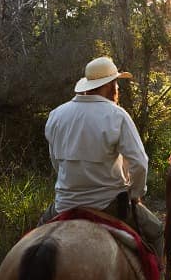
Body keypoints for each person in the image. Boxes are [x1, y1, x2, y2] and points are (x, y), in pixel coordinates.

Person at [38, 56, 163, 261]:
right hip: (108, 203)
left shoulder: (56, 115)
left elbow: (56, 162)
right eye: (116, 83)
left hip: (65, 203)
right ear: (109, 86)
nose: (118, 88)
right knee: (156, 231)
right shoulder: (117, 115)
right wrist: (135, 194)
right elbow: (140, 163)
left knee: (34, 238)